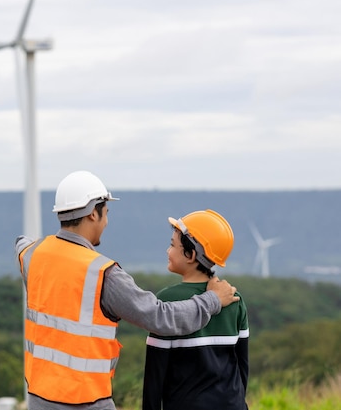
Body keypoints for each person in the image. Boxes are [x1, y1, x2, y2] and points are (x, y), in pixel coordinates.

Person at [15, 170, 240, 410]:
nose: (106, 221)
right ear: (93, 213)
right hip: (85, 401)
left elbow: (20, 242)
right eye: (106, 213)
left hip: (38, 398)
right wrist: (212, 300)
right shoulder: (104, 275)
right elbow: (161, 318)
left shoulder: (31, 255)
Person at [142, 210, 249, 410]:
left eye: (173, 245)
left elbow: (155, 375)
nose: (168, 250)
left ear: (190, 255)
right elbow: (242, 365)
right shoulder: (235, 299)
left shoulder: (167, 300)